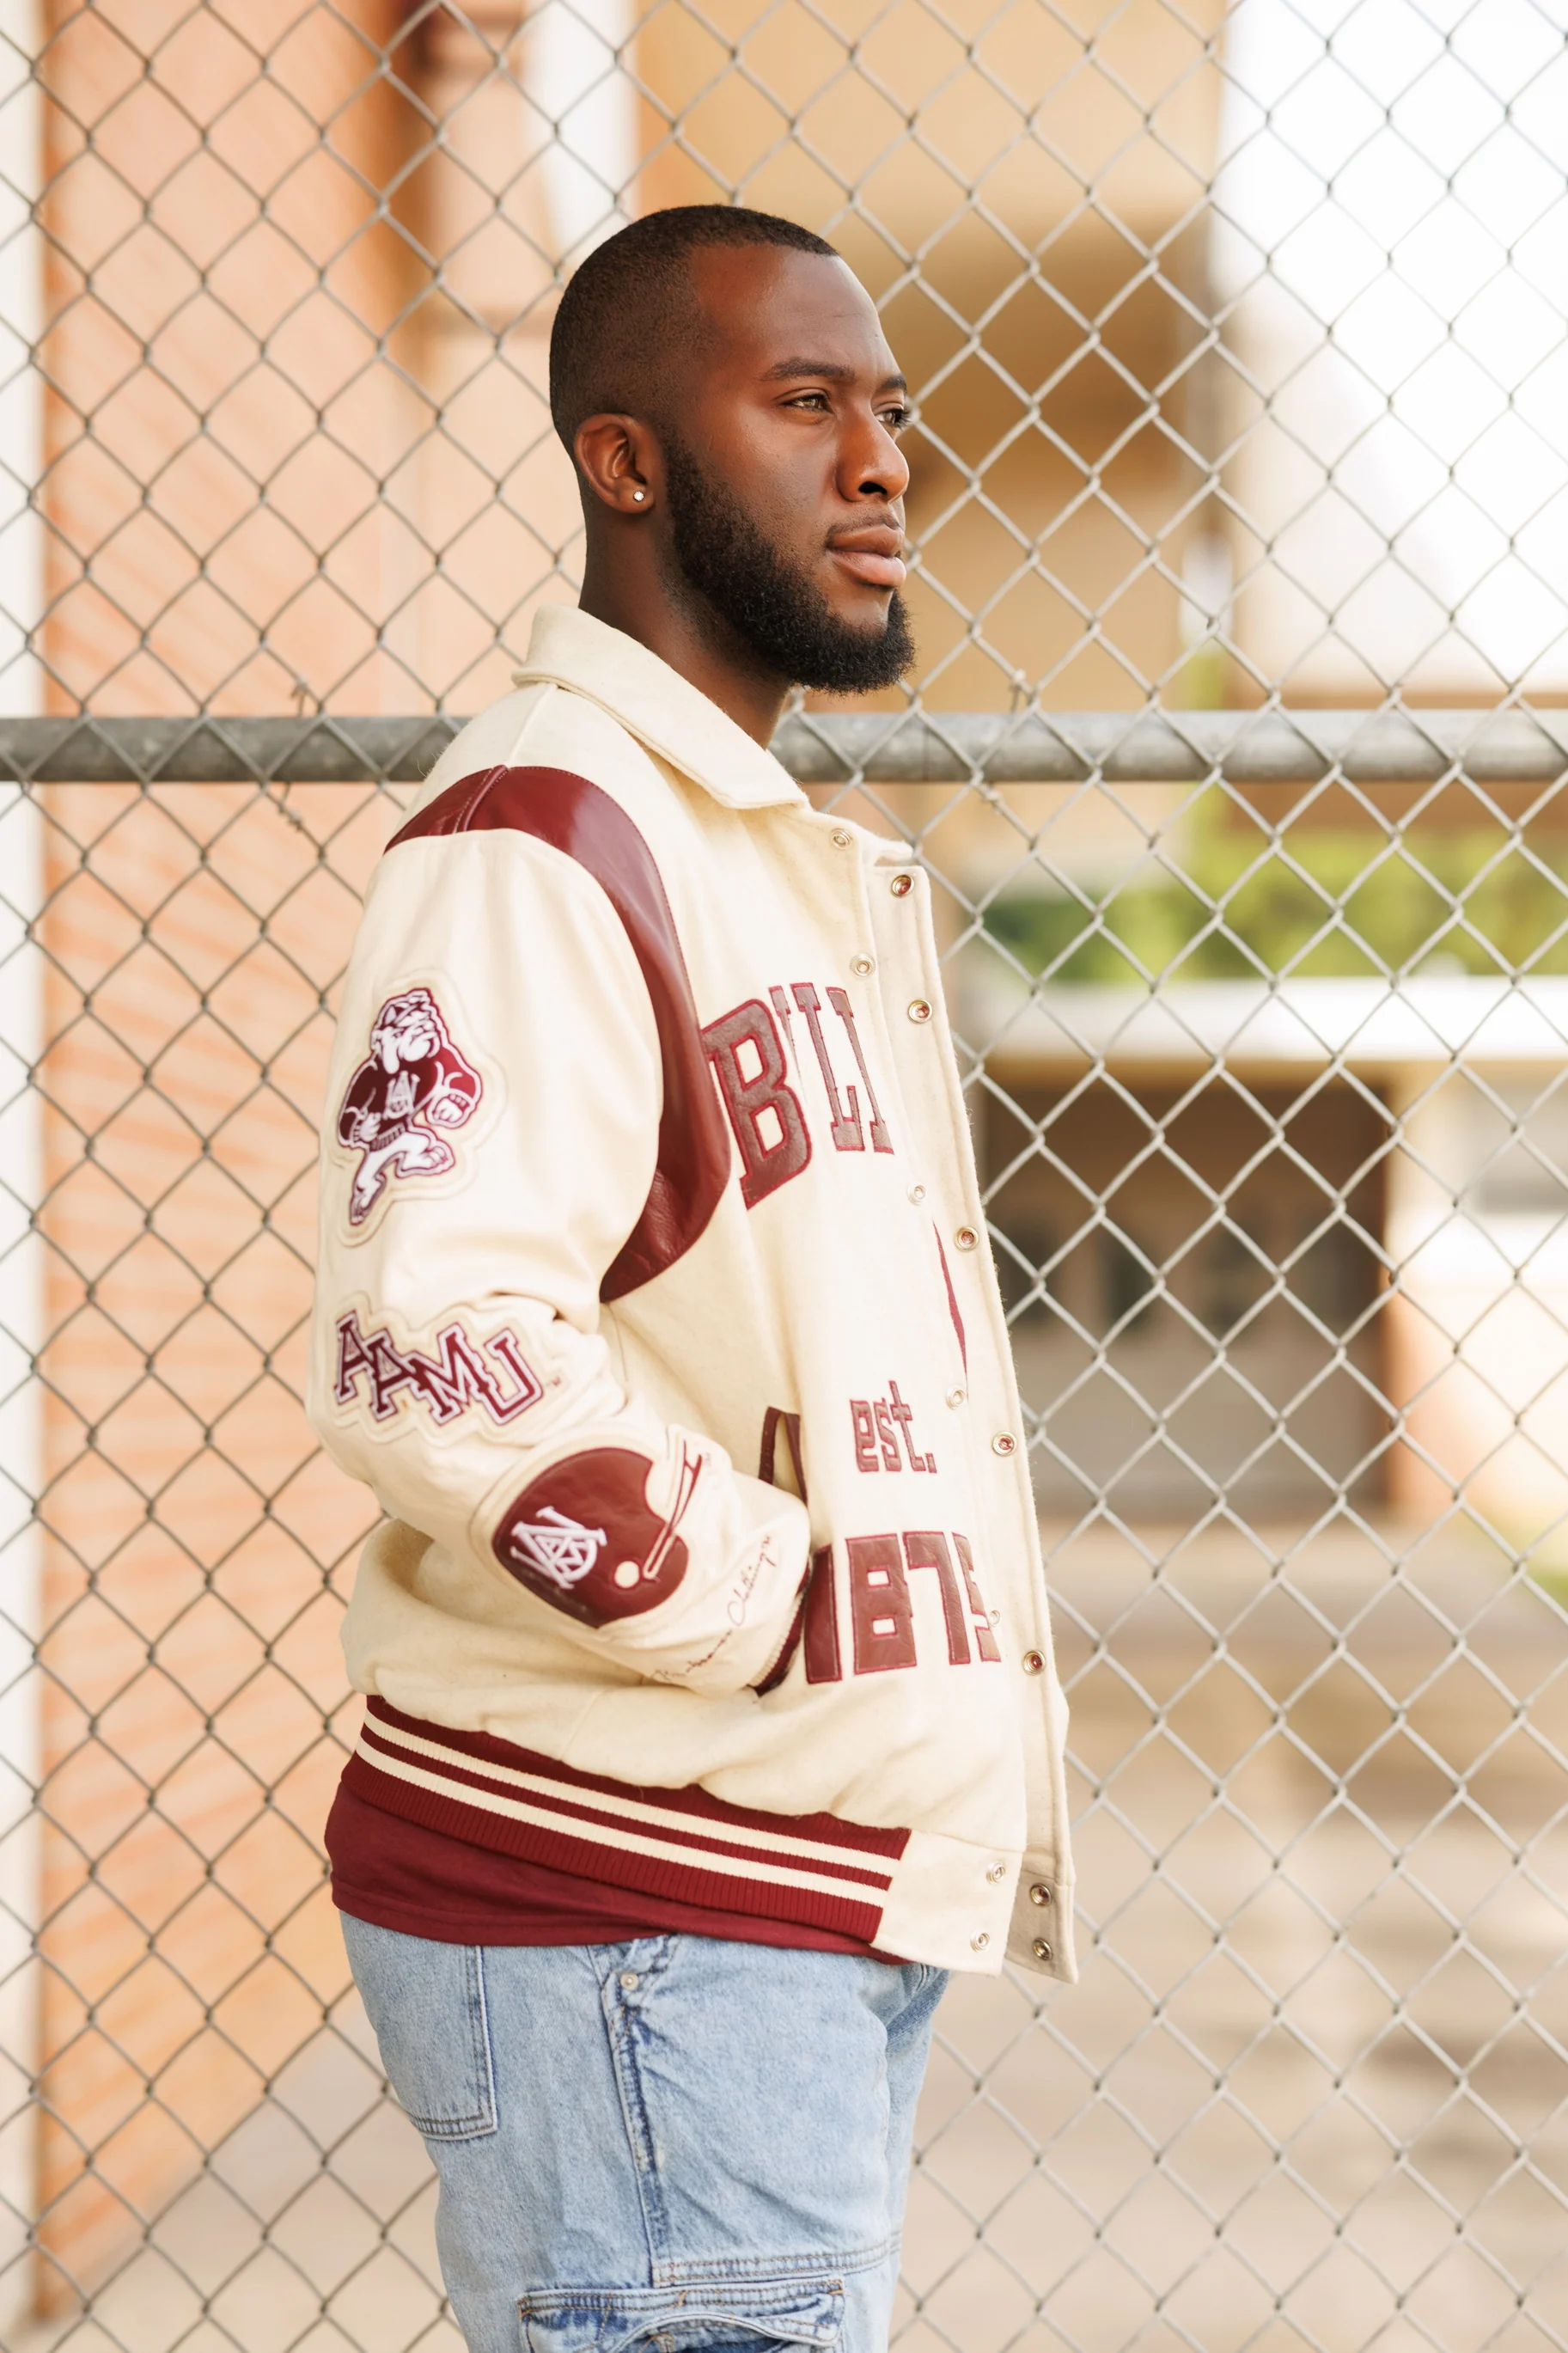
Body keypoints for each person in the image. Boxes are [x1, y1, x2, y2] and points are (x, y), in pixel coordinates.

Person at [308, 203, 1074, 2353]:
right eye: (805, 402)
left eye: (891, 408)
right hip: (640, 1897)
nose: (883, 461)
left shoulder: (747, 846)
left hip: (764, 1895)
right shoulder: (545, 831)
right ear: (627, 459)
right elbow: (432, 1337)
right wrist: (755, 1603)